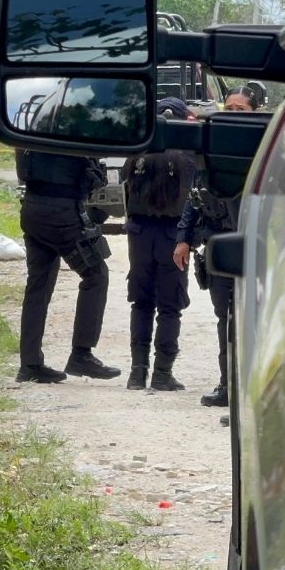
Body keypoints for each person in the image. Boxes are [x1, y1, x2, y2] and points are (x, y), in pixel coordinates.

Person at [173, 85, 259, 407]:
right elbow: (194, 198)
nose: (234, 114)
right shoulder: (211, 149)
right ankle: (229, 388)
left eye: (242, 110)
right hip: (219, 248)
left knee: (254, 322)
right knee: (226, 319)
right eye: (230, 108)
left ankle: (250, 396)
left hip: (250, 251)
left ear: (256, 113)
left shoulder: (262, 152)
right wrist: (183, 238)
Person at [15, 149, 121, 383]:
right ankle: (81, 354)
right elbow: (93, 178)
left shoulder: (32, 133)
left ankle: (30, 363)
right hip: (62, 215)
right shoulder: (70, 135)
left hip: (32, 208)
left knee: (38, 285)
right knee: (96, 275)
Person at [122, 97, 197, 391]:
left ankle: (137, 372)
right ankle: (162, 373)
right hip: (173, 237)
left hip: (138, 235)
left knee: (141, 302)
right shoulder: (187, 158)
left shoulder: (135, 155)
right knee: (170, 307)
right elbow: (194, 199)